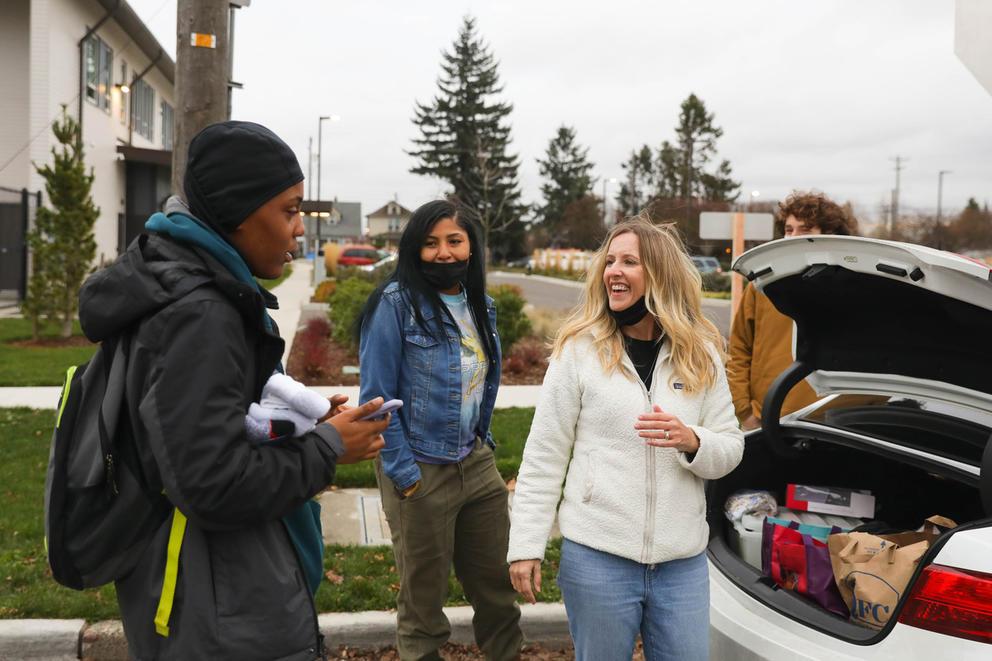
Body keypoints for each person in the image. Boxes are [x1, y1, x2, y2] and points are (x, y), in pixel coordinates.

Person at [77, 120, 388, 660]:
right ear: (238, 214)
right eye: (289, 211)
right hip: (221, 605)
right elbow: (212, 484)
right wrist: (331, 446)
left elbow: (205, 425)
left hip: (211, 588)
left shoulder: (187, 288)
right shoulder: (200, 314)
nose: (299, 230)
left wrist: (302, 425)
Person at [507, 215, 744, 661]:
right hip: (599, 558)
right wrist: (525, 546)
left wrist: (693, 440)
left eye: (629, 261)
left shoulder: (701, 353)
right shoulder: (578, 350)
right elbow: (544, 457)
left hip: (682, 563)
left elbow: (730, 447)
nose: (613, 270)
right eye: (609, 260)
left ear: (659, 275)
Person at [357, 200, 523, 661]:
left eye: (454, 240)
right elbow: (375, 401)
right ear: (415, 249)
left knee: (497, 589)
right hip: (420, 468)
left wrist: (482, 443)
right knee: (423, 605)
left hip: (476, 463)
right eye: (430, 243)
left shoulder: (480, 307)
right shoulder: (394, 305)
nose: (443, 252)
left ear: (472, 247)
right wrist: (405, 474)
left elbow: (481, 382)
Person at [728, 190, 859, 430]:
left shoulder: (854, 287)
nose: (792, 237)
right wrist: (745, 412)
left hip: (834, 427)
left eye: (805, 230)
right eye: (789, 230)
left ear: (829, 234)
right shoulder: (762, 284)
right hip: (766, 421)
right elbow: (738, 351)